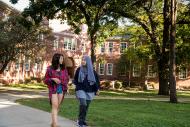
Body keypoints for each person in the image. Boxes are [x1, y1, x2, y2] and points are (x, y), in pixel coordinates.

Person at [73, 55, 100, 127]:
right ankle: (80, 121)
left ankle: (83, 120)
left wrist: (97, 89)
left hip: (90, 91)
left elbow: (96, 81)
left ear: (88, 61)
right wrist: (74, 84)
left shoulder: (93, 72)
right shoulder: (79, 69)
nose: (83, 61)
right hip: (80, 89)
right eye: (82, 60)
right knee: (83, 104)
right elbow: (75, 79)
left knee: (86, 106)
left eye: (84, 60)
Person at [44, 53, 69, 127]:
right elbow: (45, 80)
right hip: (53, 89)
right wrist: (52, 79)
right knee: (54, 106)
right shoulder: (49, 69)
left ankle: (53, 123)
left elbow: (66, 79)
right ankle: (55, 124)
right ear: (56, 59)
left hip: (61, 89)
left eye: (62, 58)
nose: (62, 60)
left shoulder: (64, 69)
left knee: (57, 106)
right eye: (61, 58)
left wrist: (67, 87)